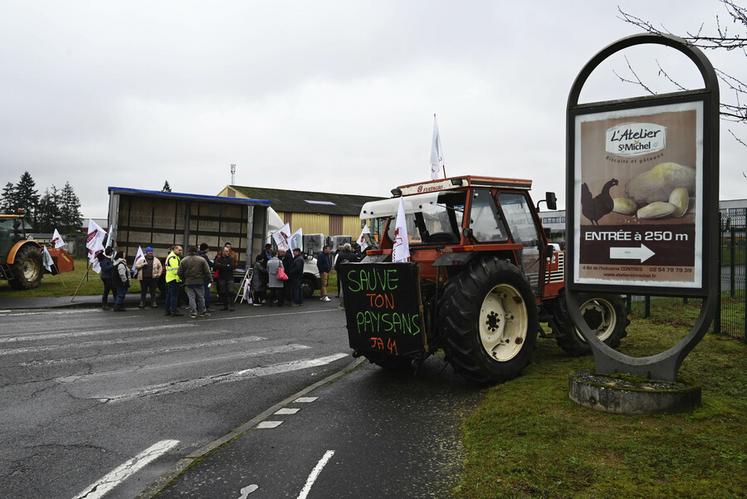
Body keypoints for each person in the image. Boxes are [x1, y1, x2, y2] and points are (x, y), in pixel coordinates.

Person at [178, 246, 212, 318]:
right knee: (201, 297)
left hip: (188, 282)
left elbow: (179, 273)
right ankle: (203, 312)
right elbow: (207, 272)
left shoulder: (184, 260)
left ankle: (193, 313)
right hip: (199, 281)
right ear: (196, 251)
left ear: (188, 251)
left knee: (191, 298)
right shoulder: (202, 260)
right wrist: (210, 279)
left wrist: (184, 279)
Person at [335, 243, 358, 308]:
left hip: (342, 274)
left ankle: (342, 304)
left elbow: (336, 266)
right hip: (352, 275)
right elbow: (357, 265)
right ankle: (351, 303)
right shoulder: (353, 255)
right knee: (351, 289)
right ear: (350, 248)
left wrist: (338, 271)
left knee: (342, 290)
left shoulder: (340, 255)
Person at [164, 245, 184, 317]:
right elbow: (176, 270)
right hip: (174, 279)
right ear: (175, 249)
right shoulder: (173, 257)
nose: (181, 252)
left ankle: (167, 311)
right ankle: (174, 311)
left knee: (169, 296)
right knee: (174, 296)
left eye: (181, 250)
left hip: (170, 279)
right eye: (179, 250)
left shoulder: (170, 256)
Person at [214, 245, 235, 311]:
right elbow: (216, 266)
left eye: (228, 251)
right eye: (226, 251)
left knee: (230, 291)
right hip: (221, 277)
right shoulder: (218, 259)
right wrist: (226, 265)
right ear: (222, 252)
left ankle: (231, 306)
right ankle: (225, 306)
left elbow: (231, 267)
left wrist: (222, 266)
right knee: (223, 292)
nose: (227, 252)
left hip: (229, 277)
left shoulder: (231, 259)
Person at [198, 243, 214, 312]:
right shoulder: (204, 256)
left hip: (198, 276)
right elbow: (209, 265)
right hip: (205, 277)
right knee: (206, 291)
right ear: (206, 249)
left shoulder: (197, 255)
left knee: (199, 292)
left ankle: (199, 306)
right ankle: (206, 306)